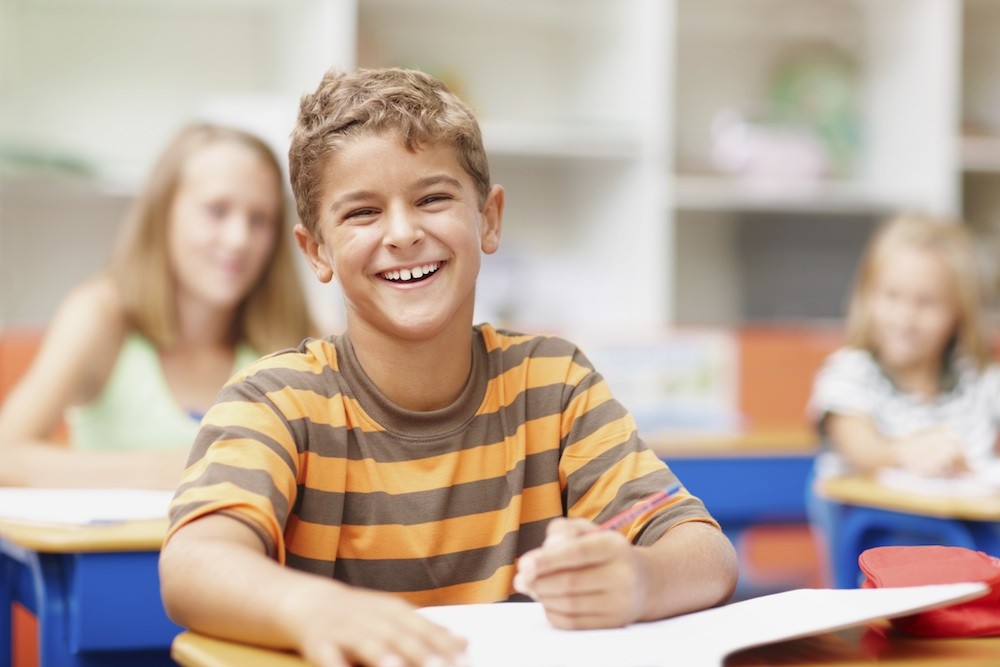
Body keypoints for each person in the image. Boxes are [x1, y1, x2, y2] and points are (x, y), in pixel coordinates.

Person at [158, 67, 738, 667]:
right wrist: (311, 609)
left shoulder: (555, 385)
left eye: (433, 199)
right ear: (316, 251)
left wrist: (640, 578)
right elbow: (194, 563)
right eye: (362, 213)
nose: (404, 233)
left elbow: (706, 553)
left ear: (488, 219)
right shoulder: (273, 400)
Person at [0, 123, 315, 489]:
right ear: (163, 213)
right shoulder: (100, 314)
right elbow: (6, 456)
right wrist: (189, 466)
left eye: (260, 220)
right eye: (216, 210)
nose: (238, 239)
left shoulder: (296, 333)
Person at [807, 212, 1000, 481]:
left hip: (971, 521)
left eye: (926, 302)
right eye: (891, 296)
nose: (905, 318)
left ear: (959, 311)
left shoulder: (980, 381)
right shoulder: (850, 374)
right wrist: (904, 451)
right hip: (875, 522)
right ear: (867, 297)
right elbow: (860, 448)